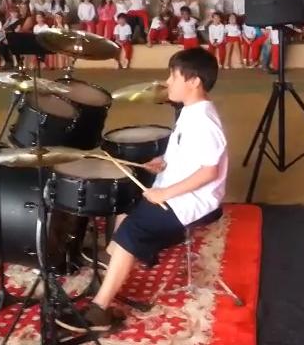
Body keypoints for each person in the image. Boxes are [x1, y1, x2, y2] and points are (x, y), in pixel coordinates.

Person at [56, 47, 227, 333]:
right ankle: (114, 266)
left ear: (194, 81)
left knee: (132, 231)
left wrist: (163, 194)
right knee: (127, 204)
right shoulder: (191, 111)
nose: (168, 81)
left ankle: (98, 311)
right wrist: (164, 161)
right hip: (174, 190)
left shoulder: (205, 121)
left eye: (173, 76)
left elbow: (209, 172)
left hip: (193, 202)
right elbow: (188, 153)